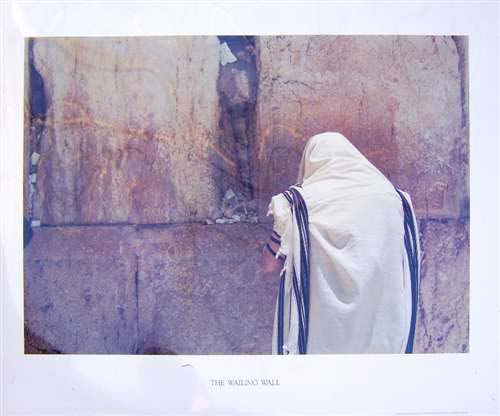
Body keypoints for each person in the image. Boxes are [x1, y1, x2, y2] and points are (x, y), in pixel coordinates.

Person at [262, 132, 420, 354]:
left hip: (320, 337)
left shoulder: (297, 204)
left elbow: (269, 266)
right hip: (380, 335)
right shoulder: (396, 201)